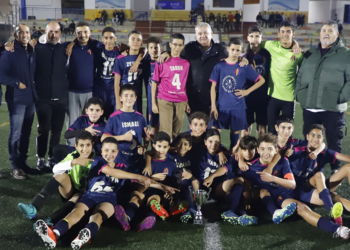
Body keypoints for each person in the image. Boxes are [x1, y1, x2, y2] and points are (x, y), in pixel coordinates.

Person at [34, 137, 155, 249]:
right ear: (101, 151)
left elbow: (140, 182)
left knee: (98, 215)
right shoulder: (97, 160)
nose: (109, 154)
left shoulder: (124, 168)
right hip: (90, 196)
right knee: (75, 212)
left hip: (109, 199)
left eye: (113, 151)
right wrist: (140, 177)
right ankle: (54, 234)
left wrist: (163, 186)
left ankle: (83, 236)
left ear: (117, 153)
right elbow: (112, 172)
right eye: (106, 150)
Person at [295, 21, 349, 173]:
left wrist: (340, 98)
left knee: (333, 139)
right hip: (310, 105)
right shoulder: (310, 53)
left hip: (332, 107)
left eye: (330, 31)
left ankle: (335, 169)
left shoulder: (346, 54)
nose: (326, 33)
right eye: (324, 30)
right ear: (319, 33)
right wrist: (299, 94)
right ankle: (309, 166)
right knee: (309, 140)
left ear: (337, 34)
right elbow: (300, 75)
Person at [17, 131, 95, 221]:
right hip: (69, 190)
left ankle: (52, 220)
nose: (85, 149)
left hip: (87, 195)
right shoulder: (73, 156)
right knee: (59, 174)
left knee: (78, 197)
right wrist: (74, 162)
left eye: (88, 145)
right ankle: (34, 207)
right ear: (76, 146)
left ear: (92, 145)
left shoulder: (97, 158)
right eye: (81, 145)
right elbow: (55, 169)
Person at [159, 22, 228, 116]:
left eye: (205, 33)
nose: (202, 36)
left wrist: (241, 59)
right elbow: (175, 54)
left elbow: (233, 59)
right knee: (194, 129)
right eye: (199, 33)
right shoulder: (189, 48)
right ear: (195, 35)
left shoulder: (221, 49)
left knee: (212, 130)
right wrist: (166, 53)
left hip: (214, 99)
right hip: (193, 99)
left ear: (211, 33)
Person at [210, 37, 265, 149]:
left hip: (238, 107)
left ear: (241, 51)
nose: (235, 53)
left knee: (235, 133)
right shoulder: (219, 66)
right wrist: (213, 106)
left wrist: (247, 91)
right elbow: (213, 88)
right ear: (228, 48)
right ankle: (216, 154)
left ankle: (232, 155)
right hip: (222, 107)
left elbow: (262, 80)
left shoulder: (244, 66)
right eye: (233, 49)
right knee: (214, 133)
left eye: (238, 50)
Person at [0, 24, 38, 179]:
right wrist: (16, 83)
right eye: (21, 32)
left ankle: (23, 163)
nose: (24, 34)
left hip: (31, 98)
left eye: (27, 32)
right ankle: (15, 166)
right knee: (15, 133)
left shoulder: (31, 51)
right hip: (16, 99)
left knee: (26, 133)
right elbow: (1, 75)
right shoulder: (10, 52)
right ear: (16, 35)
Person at [259, 21, 303, 134]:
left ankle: (284, 151)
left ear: (293, 34)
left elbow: (305, 71)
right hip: (272, 96)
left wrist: (295, 45)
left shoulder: (298, 54)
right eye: (282, 31)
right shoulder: (271, 45)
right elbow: (255, 44)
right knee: (272, 130)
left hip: (289, 98)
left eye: (288, 31)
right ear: (278, 34)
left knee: (286, 132)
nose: (285, 34)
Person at [101, 84, 149, 174]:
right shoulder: (114, 117)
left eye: (132, 96)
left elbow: (145, 138)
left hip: (136, 159)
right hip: (119, 159)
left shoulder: (140, 117)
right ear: (120, 98)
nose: (129, 98)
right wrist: (123, 137)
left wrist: (144, 147)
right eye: (126, 96)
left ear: (135, 98)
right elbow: (103, 138)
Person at [64, 21, 98, 146]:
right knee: (72, 123)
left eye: (85, 32)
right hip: (71, 92)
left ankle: (88, 149)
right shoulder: (68, 46)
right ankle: (71, 150)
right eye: (79, 32)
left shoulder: (95, 46)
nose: (82, 35)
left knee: (89, 123)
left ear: (89, 33)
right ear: (75, 33)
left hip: (89, 92)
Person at [151, 33, 190, 140]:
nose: (177, 47)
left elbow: (184, 83)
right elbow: (154, 82)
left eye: (180, 45)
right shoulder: (162, 61)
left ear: (183, 46)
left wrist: (186, 101)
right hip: (165, 100)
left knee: (176, 133)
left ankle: (173, 155)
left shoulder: (186, 63)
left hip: (181, 101)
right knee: (166, 132)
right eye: (175, 44)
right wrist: (154, 103)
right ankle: (164, 156)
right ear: (170, 45)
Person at [113, 30, 150, 112]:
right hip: (123, 95)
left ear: (141, 42)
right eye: (133, 39)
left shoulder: (145, 58)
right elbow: (116, 82)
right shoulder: (120, 58)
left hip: (137, 96)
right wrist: (118, 101)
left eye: (138, 40)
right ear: (128, 41)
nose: (135, 42)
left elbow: (146, 50)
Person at [244, 26, 271, 137]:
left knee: (262, 128)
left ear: (261, 38)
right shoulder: (244, 57)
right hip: (248, 96)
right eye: (252, 36)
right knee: (246, 128)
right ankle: (245, 151)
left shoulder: (267, 54)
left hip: (263, 96)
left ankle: (261, 151)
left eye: (257, 36)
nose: (254, 39)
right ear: (248, 38)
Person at [146, 37, 162, 137]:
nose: (154, 50)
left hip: (164, 99)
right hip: (151, 100)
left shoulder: (164, 62)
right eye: (151, 47)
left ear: (160, 49)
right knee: (153, 127)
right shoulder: (145, 64)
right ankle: (154, 150)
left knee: (166, 127)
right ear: (147, 49)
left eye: (156, 47)